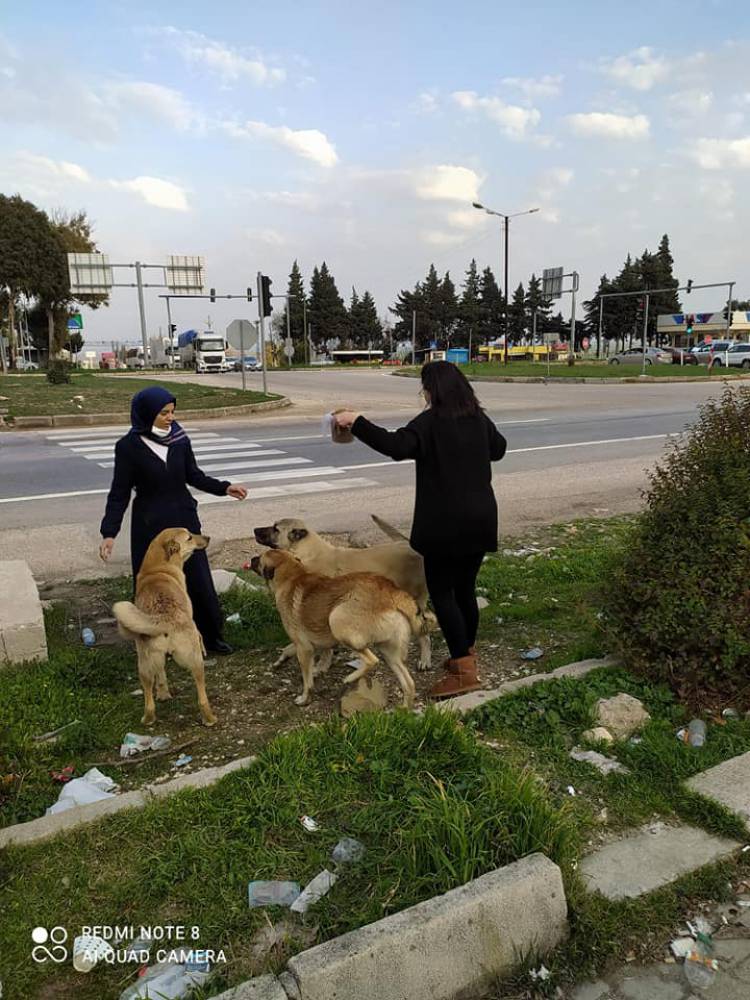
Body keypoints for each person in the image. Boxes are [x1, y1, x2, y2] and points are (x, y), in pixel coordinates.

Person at [334, 361, 506, 698]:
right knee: (465, 590)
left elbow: (396, 447)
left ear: (432, 390)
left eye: (424, 387)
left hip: (445, 526)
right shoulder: (477, 418)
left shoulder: (430, 422)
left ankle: (464, 670)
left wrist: (357, 422)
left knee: (443, 596)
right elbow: (498, 450)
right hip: (481, 519)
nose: (424, 393)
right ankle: (466, 655)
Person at [99, 386, 248, 655]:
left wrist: (224, 487)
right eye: (164, 413)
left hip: (183, 519)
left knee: (199, 579)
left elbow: (194, 475)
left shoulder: (179, 438)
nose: (171, 418)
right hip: (150, 526)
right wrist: (109, 533)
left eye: (172, 412)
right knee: (155, 587)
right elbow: (119, 493)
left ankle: (210, 636)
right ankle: (158, 641)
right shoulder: (128, 447)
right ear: (146, 415)